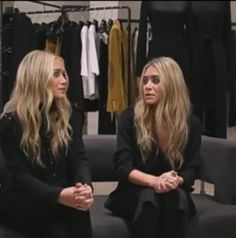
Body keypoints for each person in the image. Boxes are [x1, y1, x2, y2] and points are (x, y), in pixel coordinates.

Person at [105, 57, 202, 238]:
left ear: (172, 84)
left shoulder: (190, 123)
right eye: (145, 81)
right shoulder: (129, 118)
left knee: (178, 198)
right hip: (134, 192)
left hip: (173, 191)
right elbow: (123, 168)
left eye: (156, 81)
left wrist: (176, 180)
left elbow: (192, 168)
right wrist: (155, 182)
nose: (147, 86)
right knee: (149, 198)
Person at [0, 50, 93, 238]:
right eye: (56, 74)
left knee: (80, 212)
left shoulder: (71, 115)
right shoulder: (11, 122)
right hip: (23, 199)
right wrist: (58, 196)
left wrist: (84, 186)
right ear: (37, 78)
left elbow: (78, 159)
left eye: (64, 74)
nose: (64, 80)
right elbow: (19, 177)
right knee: (56, 229)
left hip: (60, 193)